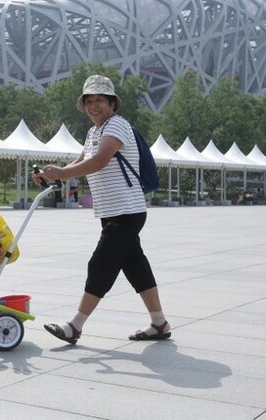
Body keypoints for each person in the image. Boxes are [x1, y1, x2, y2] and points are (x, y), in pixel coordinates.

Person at [33, 74, 170, 344]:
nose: (94, 106)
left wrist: (62, 173)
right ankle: (159, 323)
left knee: (100, 265)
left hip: (127, 210)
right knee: (136, 266)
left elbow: (100, 160)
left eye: (100, 100)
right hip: (111, 212)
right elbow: (80, 162)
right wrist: (51, 174)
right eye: (89, 101)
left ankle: (75, 326)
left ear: (112, 104)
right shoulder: (93, 132)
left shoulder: (117, 125)